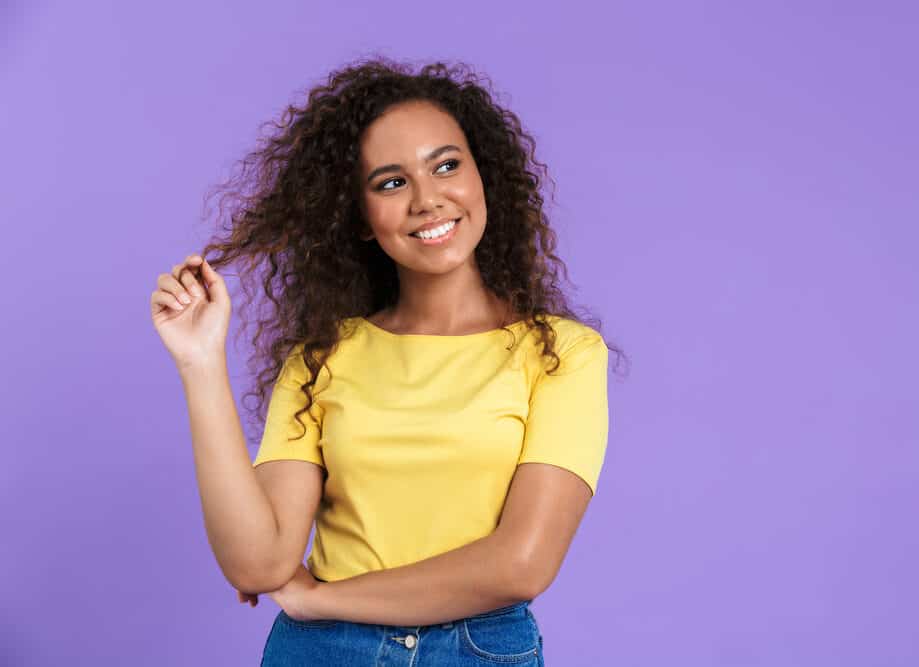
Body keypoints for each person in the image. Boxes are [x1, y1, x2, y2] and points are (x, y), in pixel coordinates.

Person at [150, 56, 623, 666]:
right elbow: (259, 562)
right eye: (391, 182)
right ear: (363, 219)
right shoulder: (322, 358)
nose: (428, 200)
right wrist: (199, 363)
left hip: (473, 650)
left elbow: (521, 565)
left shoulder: (562, 355)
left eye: (447, 165)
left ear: (484, 178)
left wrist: (321, 600)